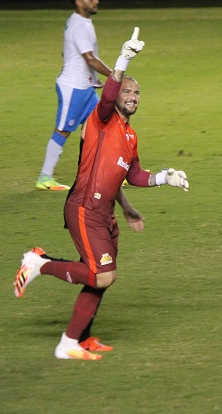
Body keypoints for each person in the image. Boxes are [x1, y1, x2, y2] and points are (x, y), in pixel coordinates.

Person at [14, 27, 189, 360]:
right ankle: (39, 263)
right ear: (116, 93)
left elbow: (133, 174)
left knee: (101, 278)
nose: (133, 97)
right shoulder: (100, 118)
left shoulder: (130, 135)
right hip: (83, 208)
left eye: (137, 94)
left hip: (105, 214)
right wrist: (122, 59)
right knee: (100, 274)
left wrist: (166, 178)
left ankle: (77, 340)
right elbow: (108, 96)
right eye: (128, 91)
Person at [36, 0, 113, 191]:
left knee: (104, 125)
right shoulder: (78, 25)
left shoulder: (82, 22)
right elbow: (89, 58)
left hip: (86, 87)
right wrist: (114, 76)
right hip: (74, 88)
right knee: (63, 131)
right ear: (80, 2)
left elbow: (70, 53)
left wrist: (93, 78)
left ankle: (112, 172)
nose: (96, 1)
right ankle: (44, 178)